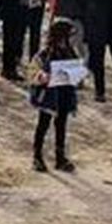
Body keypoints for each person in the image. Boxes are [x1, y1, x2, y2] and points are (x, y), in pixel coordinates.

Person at [29, 19, 81, 173]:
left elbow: (76, 68)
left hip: (65, 94)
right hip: (49, 96)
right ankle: (37, 156)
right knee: (43, 124)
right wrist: (41, 76)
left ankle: (60, 157)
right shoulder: (45, 53)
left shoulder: (70, 52)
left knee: (61, 125)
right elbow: (33, 71)